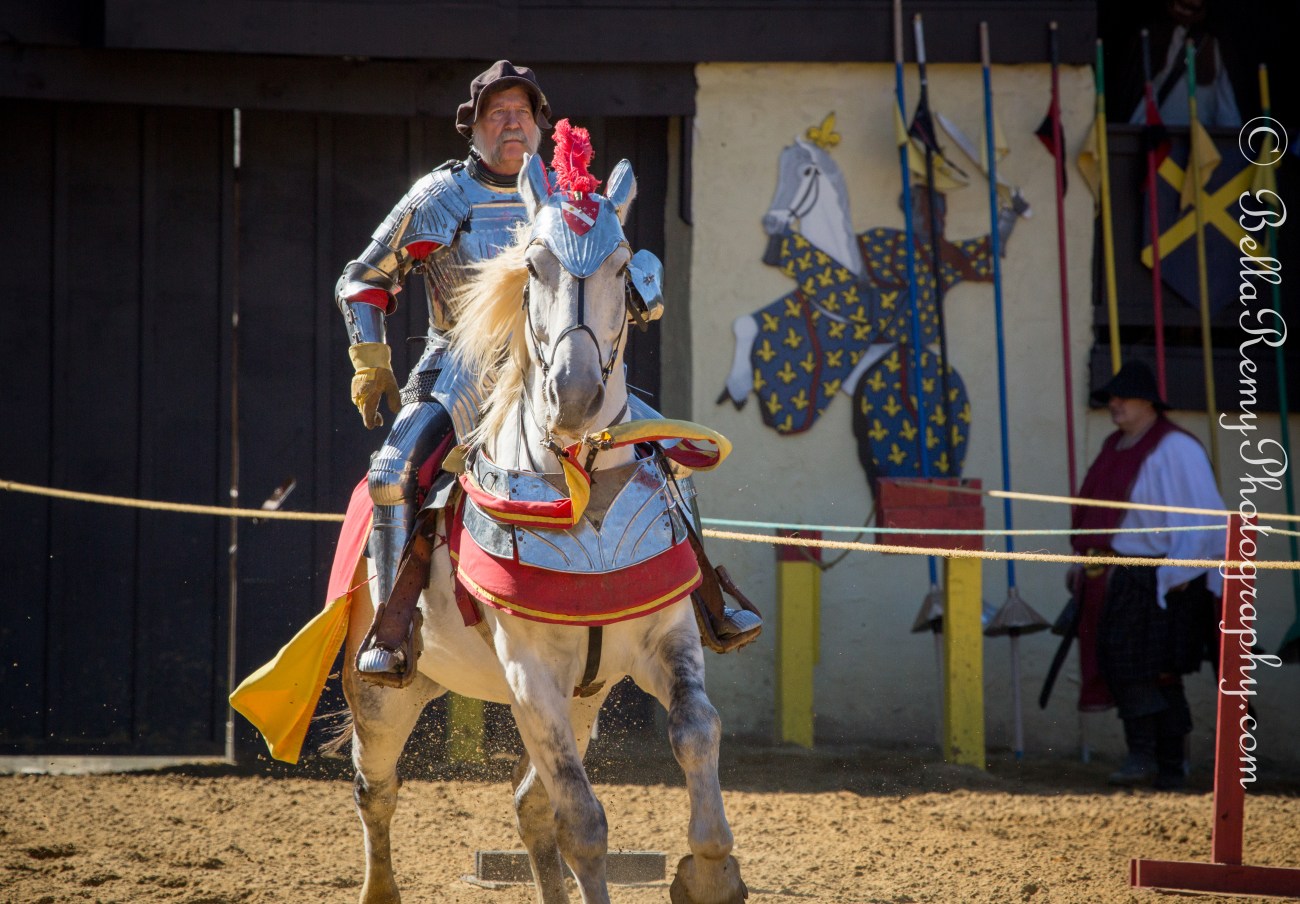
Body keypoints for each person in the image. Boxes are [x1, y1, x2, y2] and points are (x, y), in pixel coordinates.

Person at [337, 61, 759, 683]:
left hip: (557, 369)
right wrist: (371, 360)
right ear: (474, 127)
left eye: (523, 113)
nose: (512, 124)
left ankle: (706, 602)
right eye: (497, 113)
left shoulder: (572, 203)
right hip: (464, 369)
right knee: (393, 472)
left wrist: (640, 281)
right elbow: (362, 280)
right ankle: (393, 629)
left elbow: (617, 269)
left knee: (666, 453)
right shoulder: (440, 196)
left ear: (540, 127)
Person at [1068, 361, 1225, 790]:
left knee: (1155, 670)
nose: (1114, 404)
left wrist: (1180, 571)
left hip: (1167, 580)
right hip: (1121, 576)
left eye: (1124, 397)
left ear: (1148, 402)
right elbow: (1098, 516)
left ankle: (1163, 763)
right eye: (1111, 397)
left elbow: (1205, 518)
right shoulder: (1115, 445)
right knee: (1125, 666)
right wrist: (1083, 560)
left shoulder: (1176, 448)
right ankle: (1149, 758)